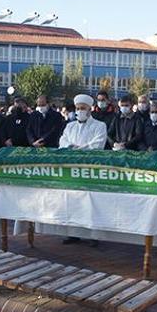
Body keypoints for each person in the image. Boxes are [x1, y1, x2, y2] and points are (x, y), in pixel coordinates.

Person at [59, 94, 107, 245]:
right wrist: (71, 147)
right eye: (78, 108)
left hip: (90, 170)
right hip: (72, 170)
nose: (80, 111)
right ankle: (73, 233)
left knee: (91, 203)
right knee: (72, 201)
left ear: (89, 109)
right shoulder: (70, 126)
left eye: (83, 109)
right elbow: (63, 141)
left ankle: (94, 235)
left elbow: (98, 144)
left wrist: (81, 149)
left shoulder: (99, 125)